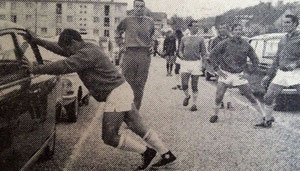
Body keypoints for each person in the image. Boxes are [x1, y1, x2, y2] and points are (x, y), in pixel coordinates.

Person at [22, 29, 176, 170]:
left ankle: (147, 152)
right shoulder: (85, 47)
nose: (67, 52)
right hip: (121, 89)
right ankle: (166, 154)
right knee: (138, 126)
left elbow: (64, 66)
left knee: (109, 136)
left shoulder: (85, 54)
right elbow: (61, 50)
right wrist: (38, 41)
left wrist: (36, 69)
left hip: (116, 93)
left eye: (68, 49)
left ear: (74, 43)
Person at [208, 24, 265, 124]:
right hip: (225, 74)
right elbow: (212, 55)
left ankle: (264, 116)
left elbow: (255, 59)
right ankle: (215, 115)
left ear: (242, 31)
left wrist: (249, 72)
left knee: (250, 97)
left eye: (240, 30)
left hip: (239, 75)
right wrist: (217, 69)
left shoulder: (246, 44)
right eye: (236, 30)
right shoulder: (224, 43)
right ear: (232, 31)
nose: (238, 31)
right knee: (219, 96)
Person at [257, 15, 300, 128]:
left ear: (295, 24)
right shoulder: (283, 39)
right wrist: (269, 75)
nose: (285, 25)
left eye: (288, 22)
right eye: (284, 22)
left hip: (297, 73)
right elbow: (277, 58)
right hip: (282, 73)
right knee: (268, 97)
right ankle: (267, 121)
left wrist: (296, 63)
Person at [116, 0, 155, 110]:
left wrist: (152, 44)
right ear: (133, 8)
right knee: (127, 83)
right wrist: (121, 44)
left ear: (144, 8)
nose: (139, 8)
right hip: (130, 53)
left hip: (144, 54)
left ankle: (135, 112)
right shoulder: (127, 20)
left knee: (140, 84)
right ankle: (126, 109)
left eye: (141, 6)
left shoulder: (150, 21)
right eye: (137, 6)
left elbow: (152, 35)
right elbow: (117, 31)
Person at [179, 21, 207, 111]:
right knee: (184, 84)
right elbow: (179, 50)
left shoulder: (201, 39)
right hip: (186, 63)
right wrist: (181, 55)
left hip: (196, 63)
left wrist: (204, 64)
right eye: (195, 26)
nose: (197, 28)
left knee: (194, 85)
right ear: (190, 27)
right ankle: (187, 96)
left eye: (197, 26)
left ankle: (194, 104)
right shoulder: (184, 38)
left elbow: (203, 53)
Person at [208, 23, 233, 109]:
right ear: (219, 30)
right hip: (219, 65)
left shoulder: (231, 39)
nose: (222, 30)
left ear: (227, 29)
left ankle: (229, 102)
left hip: (229, 65)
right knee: (220, 84)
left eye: (224, 28)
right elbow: (211, 53)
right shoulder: (215, 40)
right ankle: (221, 101)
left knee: (229, 83)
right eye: (221, 28)